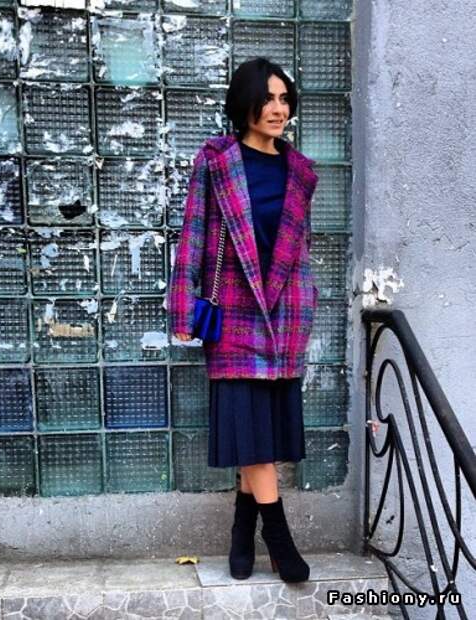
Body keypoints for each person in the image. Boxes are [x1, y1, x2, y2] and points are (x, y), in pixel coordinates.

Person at [166, 57, 319, 583]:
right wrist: (183, 306)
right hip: (234, 310)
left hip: (286, 312)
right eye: (268, 99)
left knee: (263, 432)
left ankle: (240, 530)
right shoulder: (217, 161)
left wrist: (308, 300)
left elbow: (297, 248)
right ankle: (279, 539)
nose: (278, 109)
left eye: (284, 99)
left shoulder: (299, 171)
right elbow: (193, 235)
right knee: (252, 432)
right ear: (245, 104)